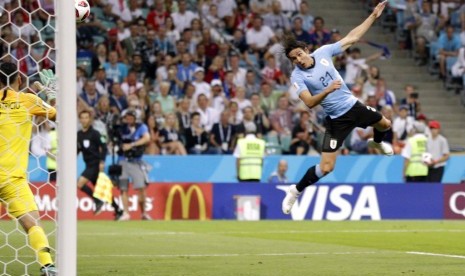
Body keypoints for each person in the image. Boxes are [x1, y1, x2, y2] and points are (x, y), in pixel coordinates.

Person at [281, 1, 392, 215]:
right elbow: (310, 102)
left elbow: (352, 37)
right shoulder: (297, 76)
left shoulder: (323, 53)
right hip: (336, 120)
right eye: (294, 59)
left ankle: (377, 144)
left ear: (306, 50)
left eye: (299, 55)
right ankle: (295, 191)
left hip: (353, 106)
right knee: (326, 168)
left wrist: (373, 16)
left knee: (385, 124)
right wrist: (329, 89)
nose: (298, 60)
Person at [0, 63, 57, 275]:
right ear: (20, 80)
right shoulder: (28, 100)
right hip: (12, 179)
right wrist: (50, 93)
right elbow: (59, 116)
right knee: (32, 223)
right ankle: (47, 266)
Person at [77, 110, 122, 219]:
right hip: (88, 164)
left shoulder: (95, 133)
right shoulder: (79, 134)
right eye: (82, 118)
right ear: (80, 120)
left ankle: (97, 201)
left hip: (95, 164)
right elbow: (78, 149)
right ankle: (118, 210)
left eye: (86, 117)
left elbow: (104, 147)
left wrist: (102, 161)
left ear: (90, 119)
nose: (84, 120)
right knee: (102, 190)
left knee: (80, 184)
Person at [115, 111, 151, 221]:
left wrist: (131, 145)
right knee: (123, 188)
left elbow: (146, 138)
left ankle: (144, 213)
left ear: (136, 118)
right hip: (122, 160)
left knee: (141, 188)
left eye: (131, 117)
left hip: (136, 161)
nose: (129, 119)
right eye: (127, 117)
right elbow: (115, 140)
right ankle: (126, 213)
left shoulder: (141, 127)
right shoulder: (121, 128)